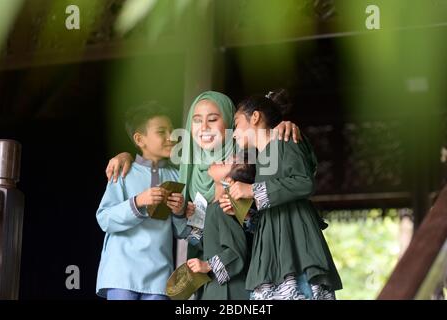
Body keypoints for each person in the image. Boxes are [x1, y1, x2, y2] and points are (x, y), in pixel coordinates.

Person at [103, 91, 302, 270]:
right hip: (206, 274)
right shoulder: (185, 172)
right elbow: (188, 235)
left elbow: (277, 210)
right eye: (197, 120)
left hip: (256, 271)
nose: (204, 127)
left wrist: (280, 128)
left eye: (213, 119)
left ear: (231, 122)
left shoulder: (250, 158)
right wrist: (126, 156)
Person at [221, 89, 343, 300]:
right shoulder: (262, 159)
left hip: (294, 243)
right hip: (272, 249)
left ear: (256, 117)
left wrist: (251, 190)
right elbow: (274, 199)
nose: (234, 132)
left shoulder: (285, 138)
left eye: (237, 123)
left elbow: (304, 183)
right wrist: (246, 212)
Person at [95, 102, 193, 300]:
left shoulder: (177, 176)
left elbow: (183, 232)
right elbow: (104, 219)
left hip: (160, 277)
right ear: (140, 139)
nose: (170, 137)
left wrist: (179, 211)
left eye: (171, 131)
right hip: (121, 273)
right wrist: (138, 201)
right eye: (161, 131)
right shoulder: (123, 172)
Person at [187, 152, 255, 300]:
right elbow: (199, 245)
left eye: (223, 163)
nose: (217, 161)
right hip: (214, 289)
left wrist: (207, 266)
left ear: (228, 181)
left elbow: (237, 251)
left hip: (229, 292)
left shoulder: (224, 209)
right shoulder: (212, 208)